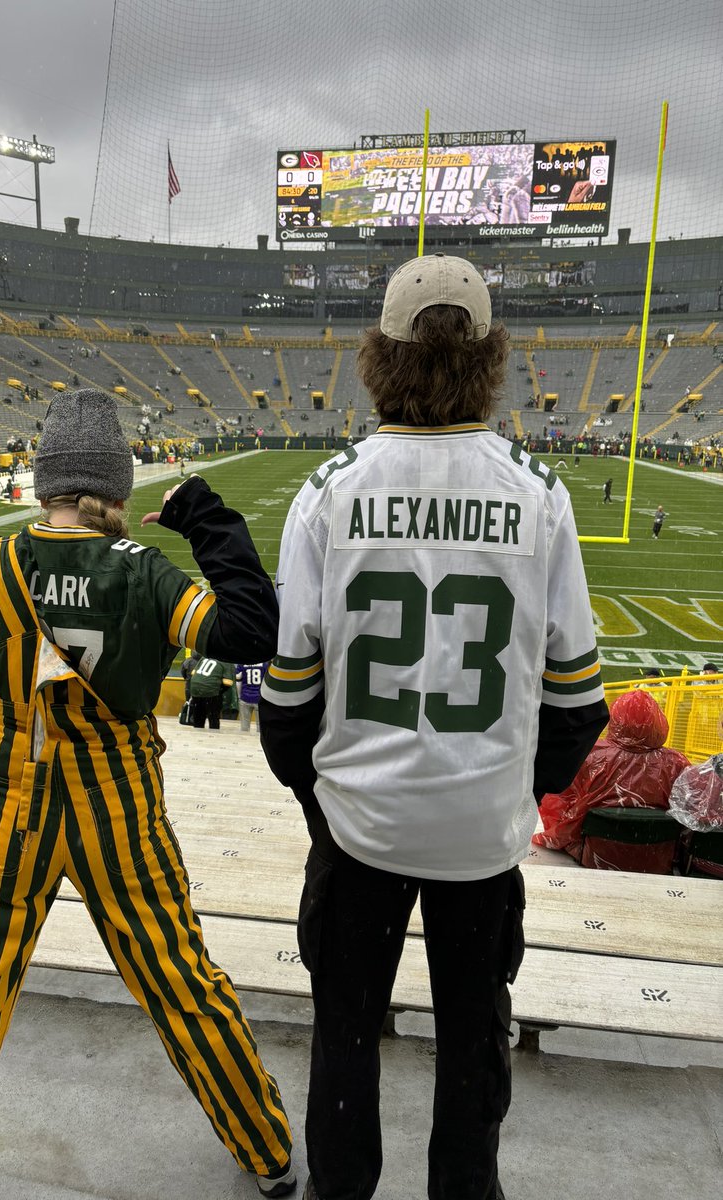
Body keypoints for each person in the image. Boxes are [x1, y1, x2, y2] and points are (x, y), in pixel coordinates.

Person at [0, 389, 295, 1200]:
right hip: (119, 805)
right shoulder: (143, 571)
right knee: (180, 982)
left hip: (13, 795)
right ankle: (268, 1154)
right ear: (115, 489)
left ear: (44, 482)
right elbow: (254, 630)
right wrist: (207, 519)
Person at [259, 255, 608, 1200]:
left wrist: (325, 799)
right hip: (480, 837)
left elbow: (285, 705)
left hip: (361, 826)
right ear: (492, 356)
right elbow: (579, 708)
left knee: (344, 1033)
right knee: (471, 1045)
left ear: (380, 354)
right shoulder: (539, 493)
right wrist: (502, 787)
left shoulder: (329, 489)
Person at [534, 689, 690, 872]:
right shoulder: (676, 763)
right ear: (659, 721)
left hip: (595, 853)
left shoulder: (590, 754)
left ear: (615, 720)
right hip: (657, 858)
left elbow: (556, 801)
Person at [189, 654, 235, 729]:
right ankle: (213, 734)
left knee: (198, 718)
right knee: (214, 718)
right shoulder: (226, 661)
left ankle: (198, 732)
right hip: (211, 690)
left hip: (195, 688)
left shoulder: (204, 656)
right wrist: (219, 692)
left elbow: (193, 673)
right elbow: (228, 682)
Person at [236, 661, 269, 733]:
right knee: (260, 728)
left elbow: (238, 681)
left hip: (245, 697)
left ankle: (244, 743)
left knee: (244, 728)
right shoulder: (265, 664)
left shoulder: (241, 663)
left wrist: (239, 696)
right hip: (260, 698)